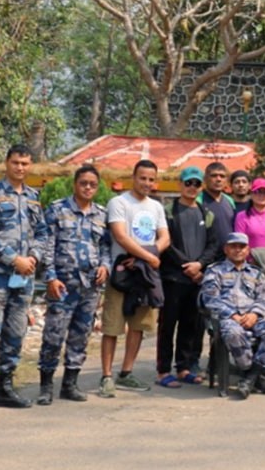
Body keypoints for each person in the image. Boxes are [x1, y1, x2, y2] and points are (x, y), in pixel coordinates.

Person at [0, 144, 50, 416]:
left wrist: (34, 258)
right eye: (16, 162)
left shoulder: (33, 197)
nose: (20, 168)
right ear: (7, 163)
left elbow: (42, 233)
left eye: (25, 163)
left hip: (24, 276)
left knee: (16, 330)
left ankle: (5, 387)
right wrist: (14, 258)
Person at [36, 165, 111, 406]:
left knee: (81, 335)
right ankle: (46, 386)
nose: (88, 188)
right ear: (75, 185)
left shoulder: (101, 214)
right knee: (54, 334)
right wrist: (50, 276)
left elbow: (106, 247)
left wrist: (105, 266)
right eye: (83, 183)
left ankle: (70, 383)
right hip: (63, 285)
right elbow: (47, 244)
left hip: (89, 286)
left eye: (92, 184)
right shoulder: (57, 210)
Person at [100, 159, 170, 398]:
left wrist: (145, 258)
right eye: (143, 178)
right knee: (112, 326)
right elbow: (120, 235)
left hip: (145, 273)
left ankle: (126, 372)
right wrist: (147, 257)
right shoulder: (118, 203)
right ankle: (107, 375)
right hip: (122, 272)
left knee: (138, 326)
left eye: (151, 179)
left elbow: (164, 238)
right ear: (134, 177)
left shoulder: (156, 207)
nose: (147, 183)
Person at [156, 165, 222, 391]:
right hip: (174, 278)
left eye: (196, 184)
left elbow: (213, 244)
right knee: (167, 325)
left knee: (190, 325)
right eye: (188, 183)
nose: (192, 188)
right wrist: (187, 266)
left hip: (197, 279)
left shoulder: (207, 213)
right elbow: (167, 244)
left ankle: (183, 367)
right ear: (180, 185)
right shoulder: (168, 211)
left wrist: (200, 265)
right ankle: (163, 370)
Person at [201, 233, 265, 400]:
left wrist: (254, 314)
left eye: (242, 247)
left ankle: (250, 377)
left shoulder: (257, 273)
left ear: (248, 250)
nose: (237, 250)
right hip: (228, 319)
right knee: (233, 333)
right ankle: (254, 376)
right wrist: (232, 315)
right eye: (233, 246)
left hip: (254, 317)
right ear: (226, 249)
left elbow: (263, 298)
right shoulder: (214, 271)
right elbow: (210, 299)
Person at [235, 178, 265, 256]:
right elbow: (240, 242)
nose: (261, 195)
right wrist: (256, 257)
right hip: (249, 262)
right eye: (257, 192)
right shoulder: (242, 216)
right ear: (251, 194)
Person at [200, 161, 236, 233]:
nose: (218, 179)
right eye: (214, 175)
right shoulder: (198, 200)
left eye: (222, 176)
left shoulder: (230, 201)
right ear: (205, 178)